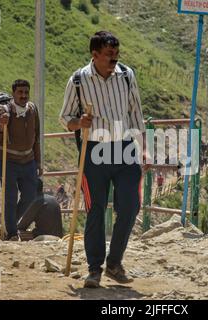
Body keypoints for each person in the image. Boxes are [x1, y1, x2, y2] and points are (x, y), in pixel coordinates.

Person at [59, 31, 146, 288]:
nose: (114, 60)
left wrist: (144, 148)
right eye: (109, 55)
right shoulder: (78, 80)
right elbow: (65, 118)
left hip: (124, 148)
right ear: (94, 55)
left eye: (117, 54)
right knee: (95, 209)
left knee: (130, 206)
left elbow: (136, 114)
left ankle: (114, 263)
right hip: (94, 151)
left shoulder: (127, 76)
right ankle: (94, 268)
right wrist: (79, 122)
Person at [0, 79, 42, 241]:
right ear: (13, 94)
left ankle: (8, 221)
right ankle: (11, 233)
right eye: (20, 92)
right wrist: (1, 127)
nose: (23, 96)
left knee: (30, 196)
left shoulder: (32, 110)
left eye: (26, 92)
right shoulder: (4, 111)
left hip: (28, 161)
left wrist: (38, 162)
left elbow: (36, 137)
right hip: (8, 160)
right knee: (10, 198)